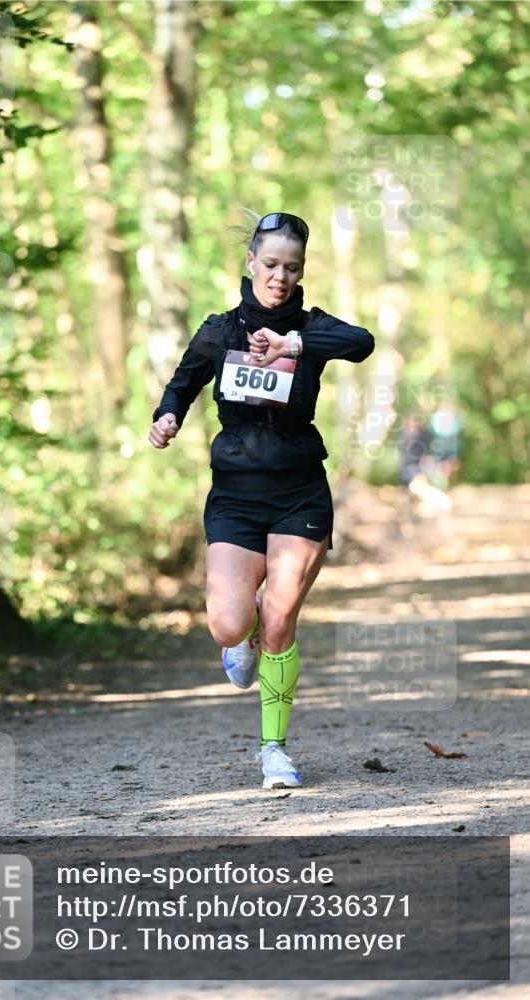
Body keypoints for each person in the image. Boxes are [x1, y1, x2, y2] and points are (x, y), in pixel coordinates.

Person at [148, 211, 375, 789]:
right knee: (229, 625)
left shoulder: (312, 329)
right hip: (237, 495)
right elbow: (182, 382)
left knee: (279, 614)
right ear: (250, 263)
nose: (279, 276)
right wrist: (168, 414)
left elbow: (362, 342)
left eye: (291, 268)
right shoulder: (219, 331)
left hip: (299, 491)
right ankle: (241, 640)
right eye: (270, 264)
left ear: (301, 273)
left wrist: (293, 341)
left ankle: (274, 749)